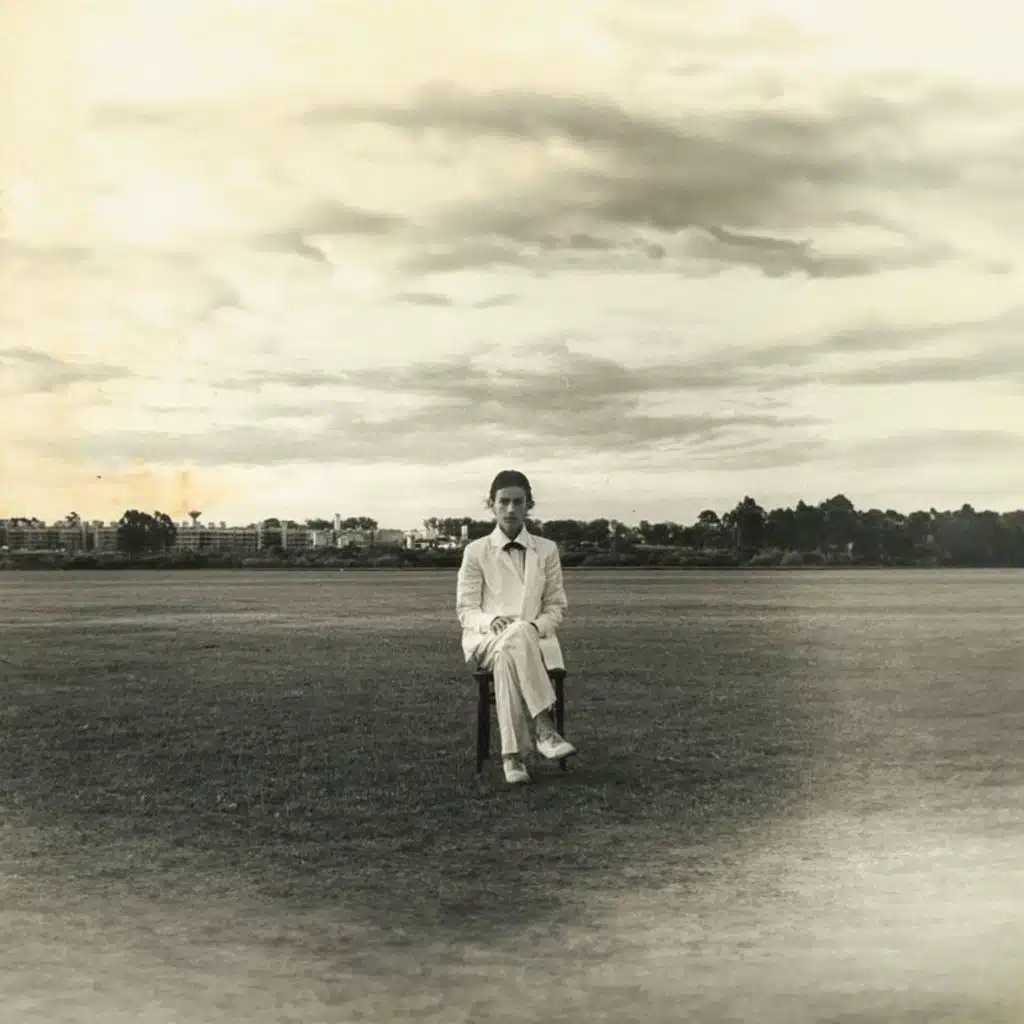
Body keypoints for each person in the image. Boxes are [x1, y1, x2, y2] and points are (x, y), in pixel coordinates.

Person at [456, 469, 577, 784]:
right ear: (492, 505)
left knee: (514, 645)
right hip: (485, 640)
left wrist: (535, 628)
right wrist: (488, 620)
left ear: (529, 505)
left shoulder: (546, 549)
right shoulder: (476, 551)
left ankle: (513, 759)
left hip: (532, 640)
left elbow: (555, 606)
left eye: (518, 502)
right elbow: (466, 609)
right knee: (513, 638)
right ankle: (544, 729)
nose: (511, 509)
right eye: (504, 502)